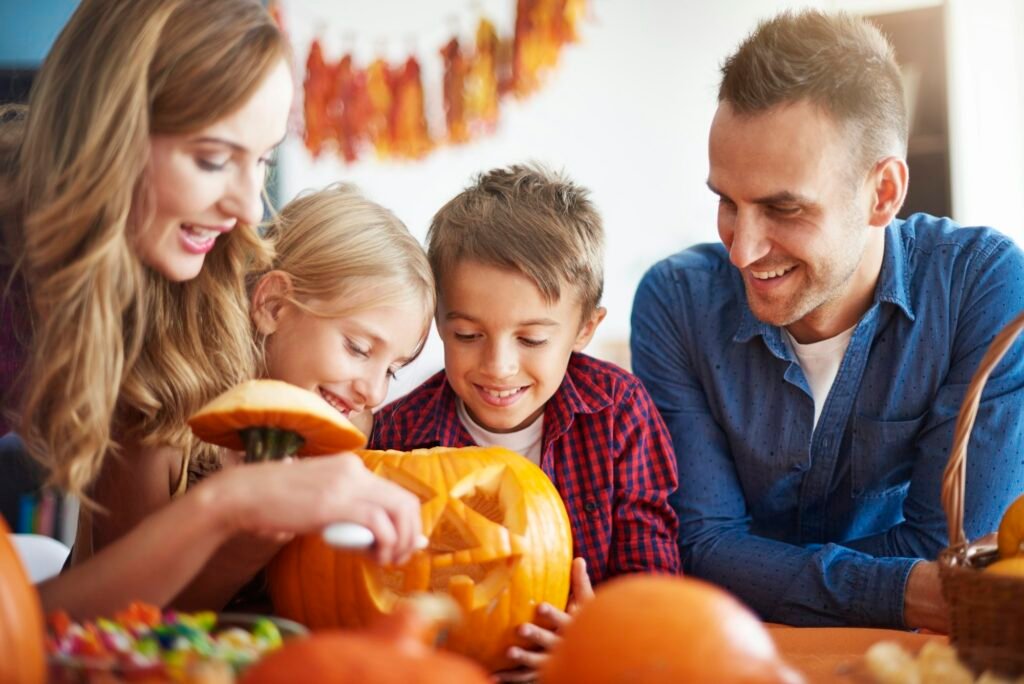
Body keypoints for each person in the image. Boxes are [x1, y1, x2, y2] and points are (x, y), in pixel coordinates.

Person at [0, 0, 421, 619]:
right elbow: (27, 638)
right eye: (214, 159)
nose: (251, 210)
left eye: (264, 161)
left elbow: (101, 627)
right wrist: (226, 509)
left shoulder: (165, 291)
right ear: (109, 131)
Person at [631, 9, 1024, 632]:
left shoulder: (981, 283)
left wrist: (760, 569)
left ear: (883, 193)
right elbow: (700, 548)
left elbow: (960, 564)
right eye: (727, 203)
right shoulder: (675, 302)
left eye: (783, 208)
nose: (742, 250)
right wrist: (898, 589)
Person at [371, 163, 679, 680]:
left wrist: (604, 631)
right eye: (468, 335)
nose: (498, 366)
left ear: (585, 328)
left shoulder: (619, 413)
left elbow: (653, 575)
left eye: (531, 339)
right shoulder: (396, 440)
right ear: (437, 322)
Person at [93, 183, 436, 611]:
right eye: (358, 349)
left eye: (391, 370)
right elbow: (132, 615)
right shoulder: (162, 416)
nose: (374, 391)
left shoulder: (345, 432)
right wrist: (249, 543)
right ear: (274, 306)